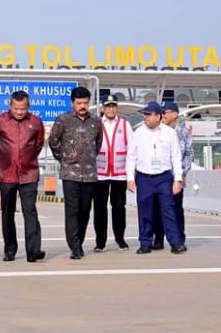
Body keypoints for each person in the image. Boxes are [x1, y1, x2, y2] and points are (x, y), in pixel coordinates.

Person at [0, 90, 46, 262]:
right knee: (7, 214)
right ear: (10, 106)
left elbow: (38, 144)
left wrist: (25, 159)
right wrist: (7, 159)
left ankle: (33, 251)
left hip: (29, 173)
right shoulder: (0, 121)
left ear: (28, 107)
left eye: (23, 108)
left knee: (30, 211)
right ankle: (10, 249)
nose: (19, 112)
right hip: (6, 174)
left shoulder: (36, 122)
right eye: (16, 108)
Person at [48, 86, 103, 260]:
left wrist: (89, 157)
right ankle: (75, 246)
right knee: (72, 210)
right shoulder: (63, 120)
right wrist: (64, 159)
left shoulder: (96, 121)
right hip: (70, 173)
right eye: (79, 103)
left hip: (89, 174)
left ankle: (79, 239)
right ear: (72, 103)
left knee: (85, 210)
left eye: (85, 103)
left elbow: (98, 143)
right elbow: (53, 141)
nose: (82, 106)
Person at [126, 101, 187, 254]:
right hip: (144, 177)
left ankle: (175, 242)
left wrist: (177, 179)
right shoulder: (138, 132)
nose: (145, 117)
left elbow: (176, 157)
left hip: (164, 178)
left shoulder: (169, 133)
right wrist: (130, 178)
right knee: (145, 211)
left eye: (148, 114)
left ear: (158, 116)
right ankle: (145, 243)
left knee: (168, 210)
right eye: (144, 114)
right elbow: (131, 156)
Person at [93, 95, 133, 252]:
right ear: (103, 108)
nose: (110, 109)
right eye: (108, 106)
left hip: (119, 174)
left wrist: (130, 175)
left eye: (113, 106)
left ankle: (120, 238)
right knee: (99, 209)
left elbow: (132, 150)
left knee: (118, 208)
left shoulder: (125, 124)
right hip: (100, 174)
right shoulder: (96, 124)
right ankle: (100, 242)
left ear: (117, 108)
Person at [153, 101, 193, 250]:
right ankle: (158, 239)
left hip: (176, 177)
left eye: (165, 112)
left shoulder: (183, 132)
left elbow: (189, 154)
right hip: (159, 175)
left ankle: (179, 238)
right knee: (157, 208)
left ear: (175, 114)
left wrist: (181, 173)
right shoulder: (156, 131)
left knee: (176, 209)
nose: (162, 115)